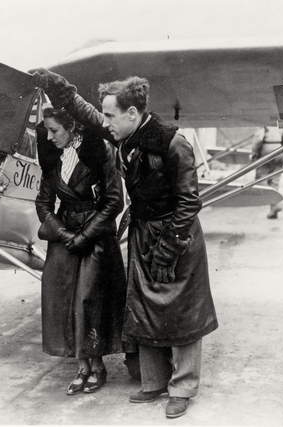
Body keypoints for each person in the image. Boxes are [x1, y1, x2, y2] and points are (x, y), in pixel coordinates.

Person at [32, 70, 218, 419]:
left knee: (182, 311)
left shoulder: (172, 143)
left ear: (132, 114)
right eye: (105, 115)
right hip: (143, 232)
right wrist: (59, 89)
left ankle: (182, 387)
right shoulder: (125, 137)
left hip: (175, 235)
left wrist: (170, 245)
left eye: (110, 115)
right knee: (144, 305)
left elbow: (190, 202)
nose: (105, 122)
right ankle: (154, 382)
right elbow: (84, 113)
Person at [35, 107, 127, 395]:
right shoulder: (53, 158)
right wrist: (62, 233)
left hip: (95, 235)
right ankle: (82, 366)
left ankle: (97, 366)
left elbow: (114, 201)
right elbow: (43, 203)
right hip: (65, 235)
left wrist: (85, 236)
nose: (49, 137)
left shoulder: (101, 151)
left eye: (54, 130)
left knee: (88, 300)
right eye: (48, 131)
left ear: (72, 126)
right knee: (63, 298)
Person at [251, 125, 283, 219]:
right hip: (279, 152)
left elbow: (258, 140)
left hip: (266, 152)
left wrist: (254, 153)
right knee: (275, 182)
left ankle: (276, 204)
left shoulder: (263, 125)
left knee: (260, 180)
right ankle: (273, 209)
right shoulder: (281, 126)